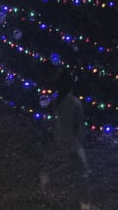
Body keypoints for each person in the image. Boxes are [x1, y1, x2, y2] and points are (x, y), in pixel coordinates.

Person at [39, 71, 91, 210]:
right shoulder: (74, 103)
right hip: (72, 142)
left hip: (62, 139)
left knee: (70, 165)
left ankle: (48, 175)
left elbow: (58, 123)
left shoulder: (58, 101)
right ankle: (85, 204)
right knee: (82, 172)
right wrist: (79, 142)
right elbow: (79, 125)